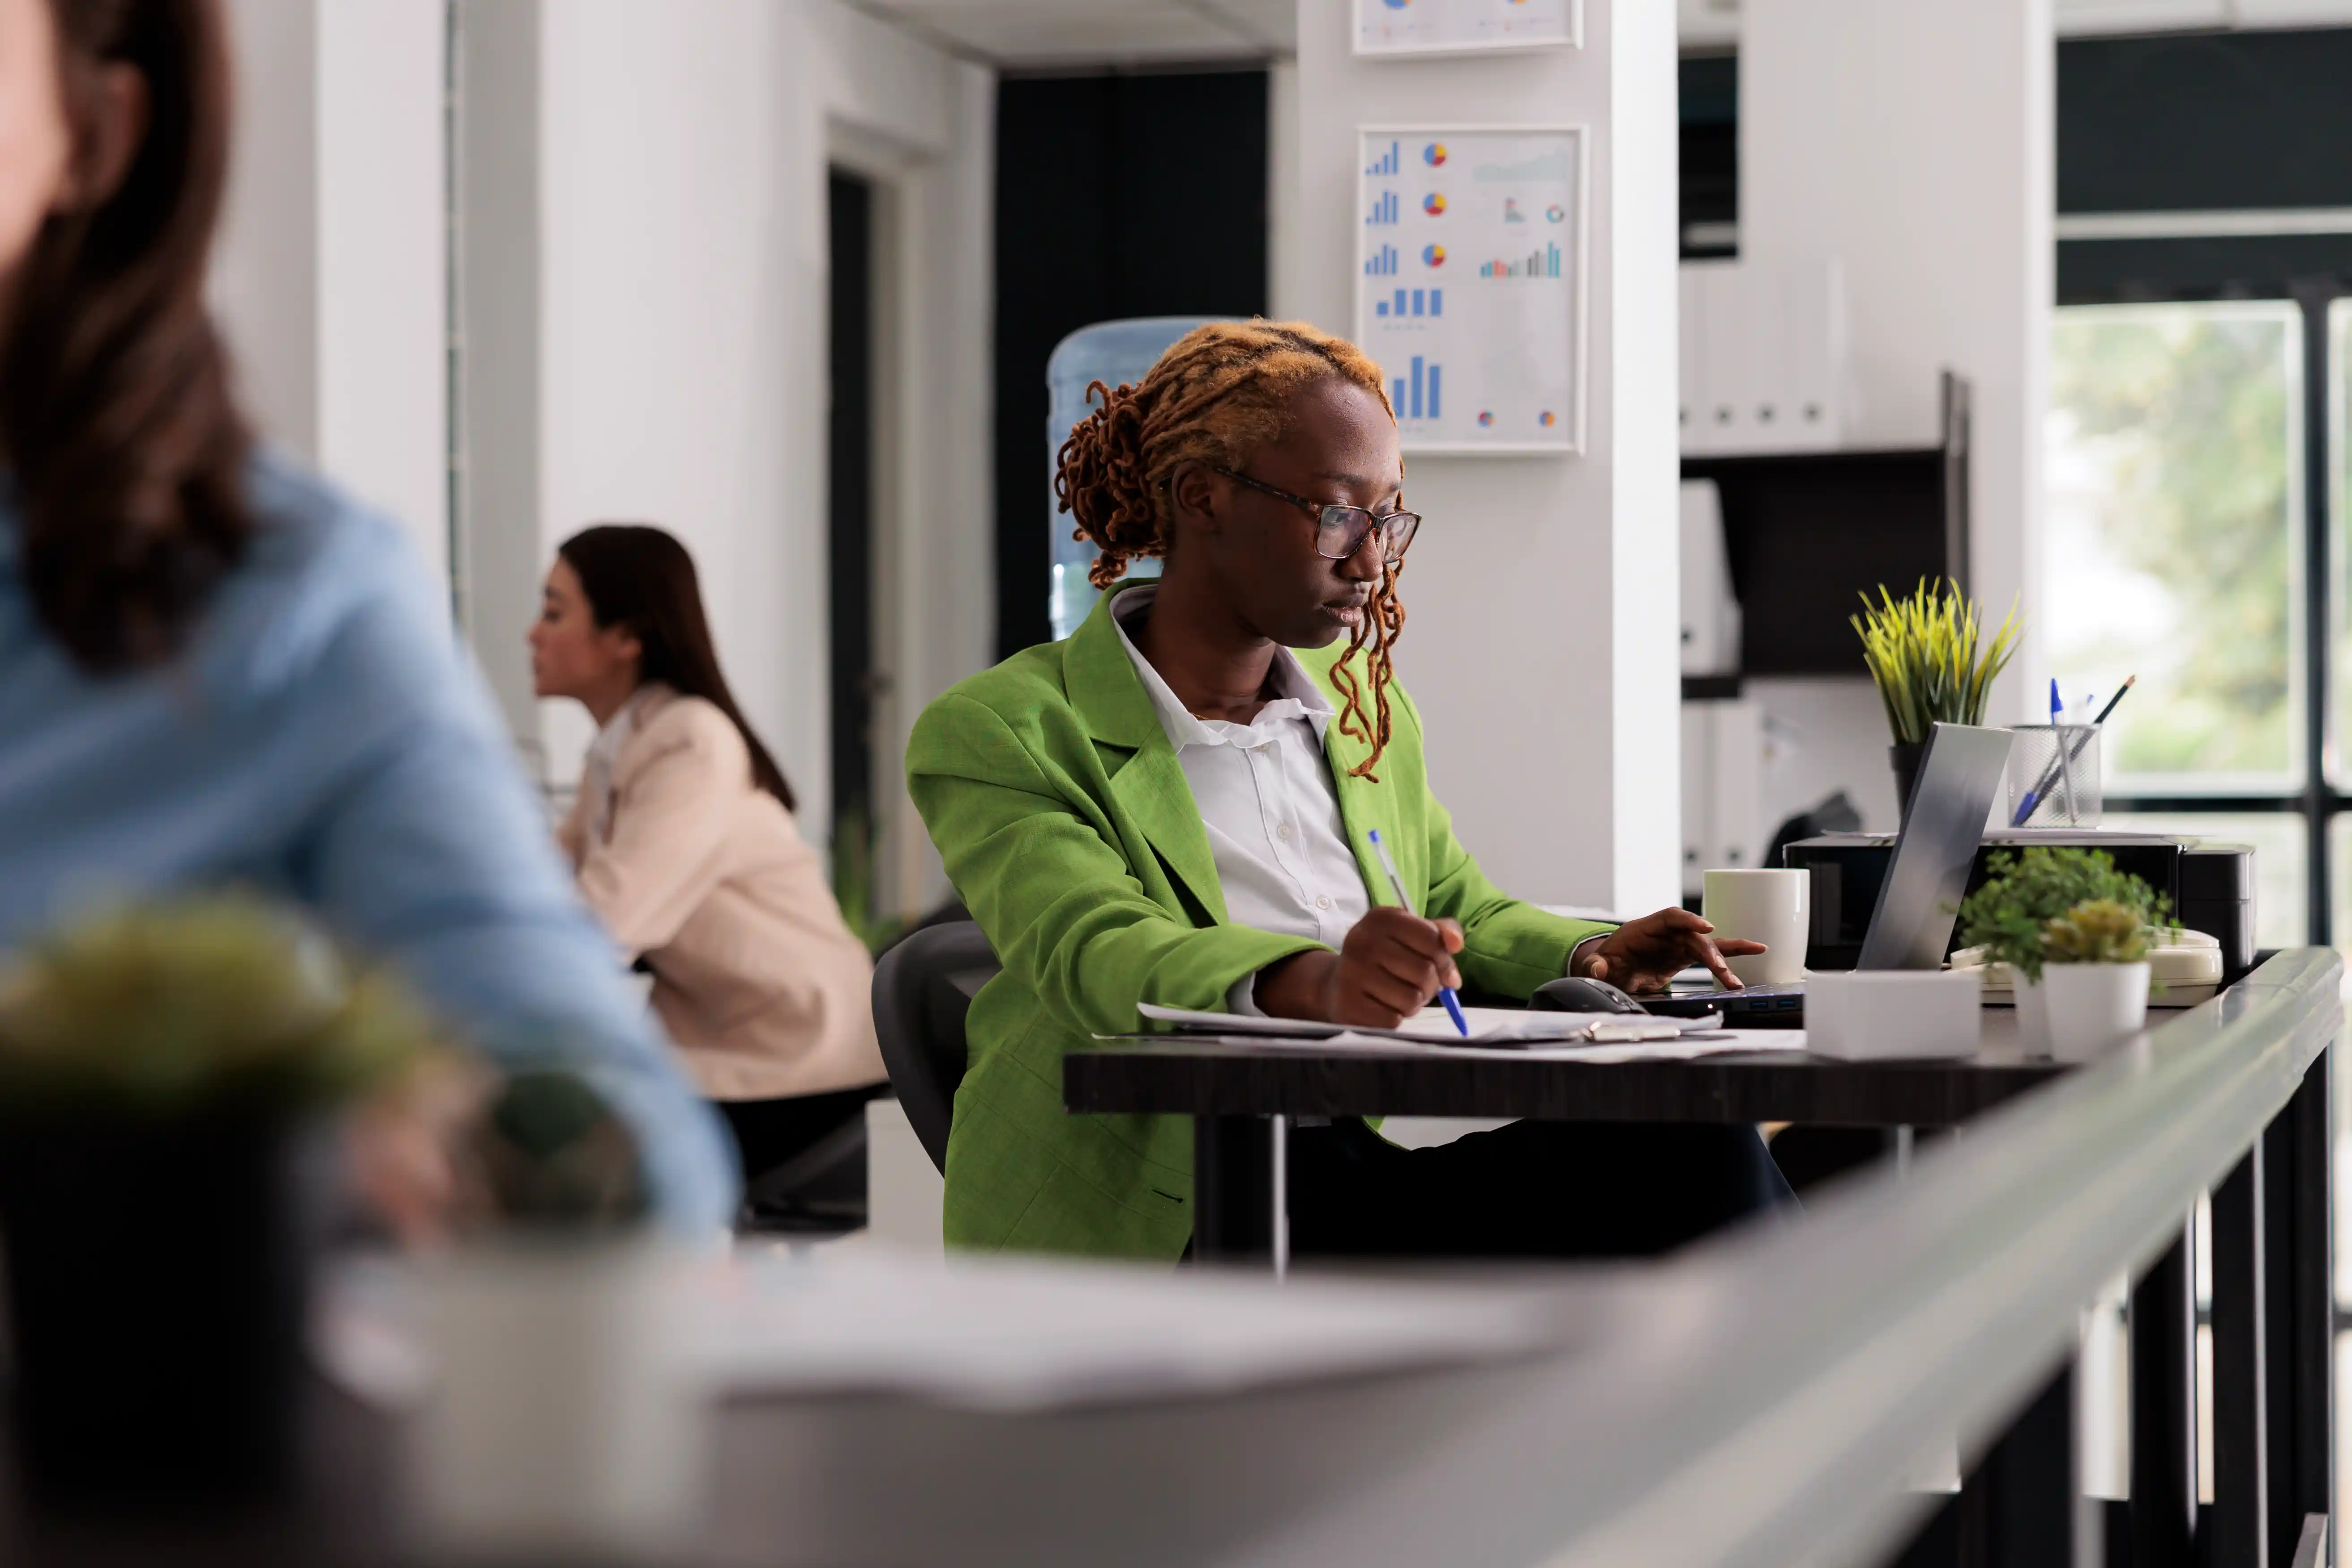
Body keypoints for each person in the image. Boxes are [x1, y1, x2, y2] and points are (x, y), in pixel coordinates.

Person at [0, 0, 732, 1234]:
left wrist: (347, 1152)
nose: (534, 634)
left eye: (558, 610)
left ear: (94, 132)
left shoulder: (286, 609)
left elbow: (613, 1144)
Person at [908, 320, 1791, 1262]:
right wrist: (1315, 980)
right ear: (1200, 496)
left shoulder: (1359, 711)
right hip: (1168, 1217)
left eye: (1386, 517)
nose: (1370, 561)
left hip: (1328, 1174)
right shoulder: (1005, 728)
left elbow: (1450, 905)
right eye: (1336, 512)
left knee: (1694, 1142)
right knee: (1693, 1189)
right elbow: (1099, 951)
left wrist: (1594, 949)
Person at [530, 525, 888, 1190]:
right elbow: (535, 892)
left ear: (626, 637)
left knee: (551, 1160)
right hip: (722, 1058)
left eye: (554, 612)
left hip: (798, 1065)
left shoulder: (691, 743)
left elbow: (603, 921)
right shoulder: (614, 754)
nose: (532, 634)